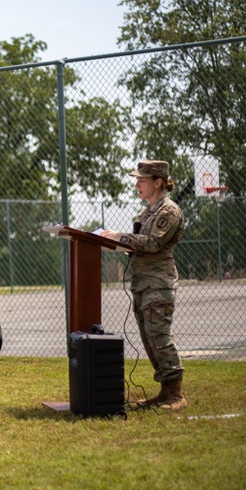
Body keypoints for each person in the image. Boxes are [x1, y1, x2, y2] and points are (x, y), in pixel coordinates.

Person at [100, 160, 186, 411]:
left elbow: (152, 243)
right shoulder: (146, 212)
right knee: (149, 337)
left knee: (160, 336)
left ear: (158, 182)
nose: (136, 184)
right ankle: (165, 393)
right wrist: (110, 242)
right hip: (142, 283)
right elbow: (138, 244)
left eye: (142, 180)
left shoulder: (168, 211)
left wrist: (118, 237)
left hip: (158, 283)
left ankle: (176, 395)